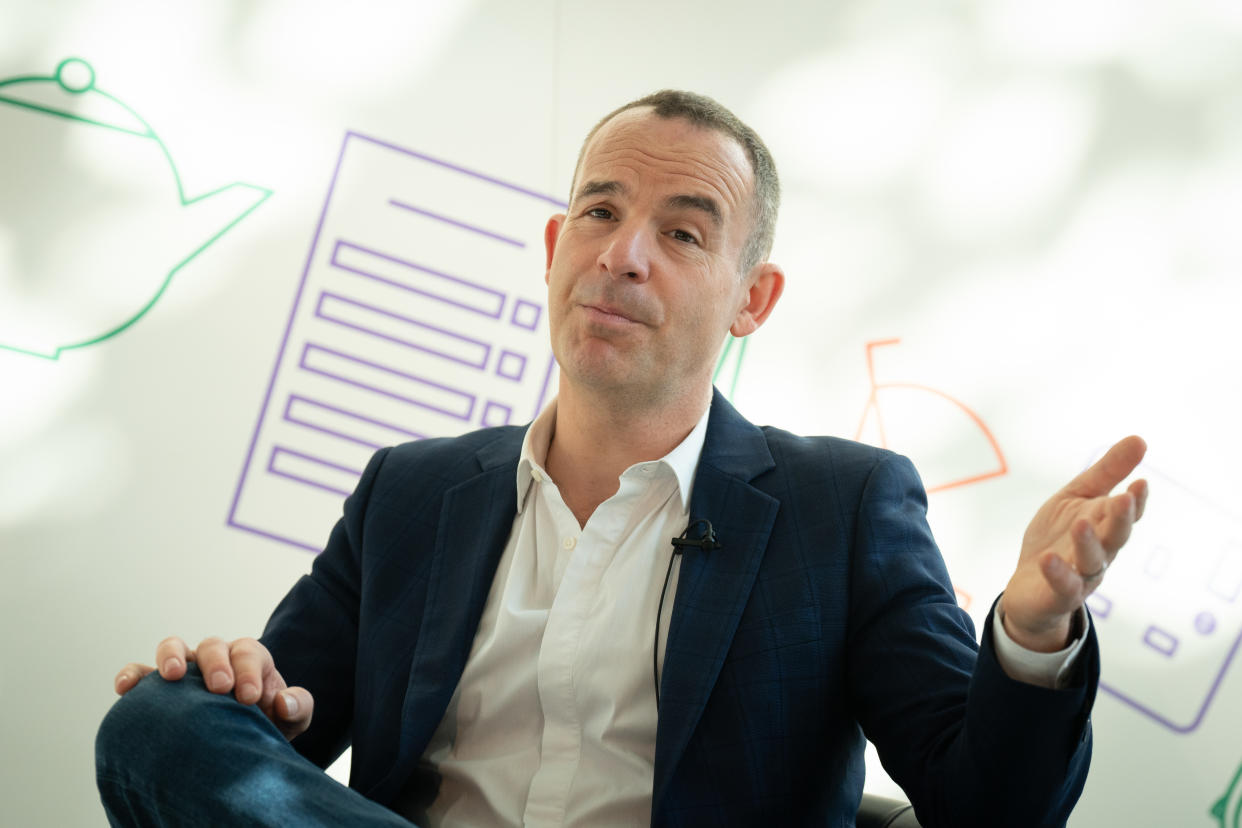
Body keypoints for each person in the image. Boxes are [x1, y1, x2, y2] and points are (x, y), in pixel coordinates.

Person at [97, 90, 1148, 827]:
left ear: (752, 297)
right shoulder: (410, 493)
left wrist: (1032, 631)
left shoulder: (845, 506)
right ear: (556, 249)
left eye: (683, 234)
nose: (622, 253)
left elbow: (990, 807)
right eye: (600, 212)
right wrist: (234, 690)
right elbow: (274, 747)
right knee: (158, 723)